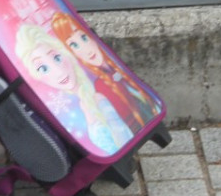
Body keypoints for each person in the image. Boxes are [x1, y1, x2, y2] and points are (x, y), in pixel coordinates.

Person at [14, 24, 134, 156]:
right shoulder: (80, 104)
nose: (59, 71)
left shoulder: (100, 93)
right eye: (43, 69)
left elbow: (124, 139)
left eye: (57, 58)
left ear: (65, 54)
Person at [50, 11, 159, 134]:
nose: (86, 49)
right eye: (74, 45)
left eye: (83, 37)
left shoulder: (114, 68)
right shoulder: (102, 86)